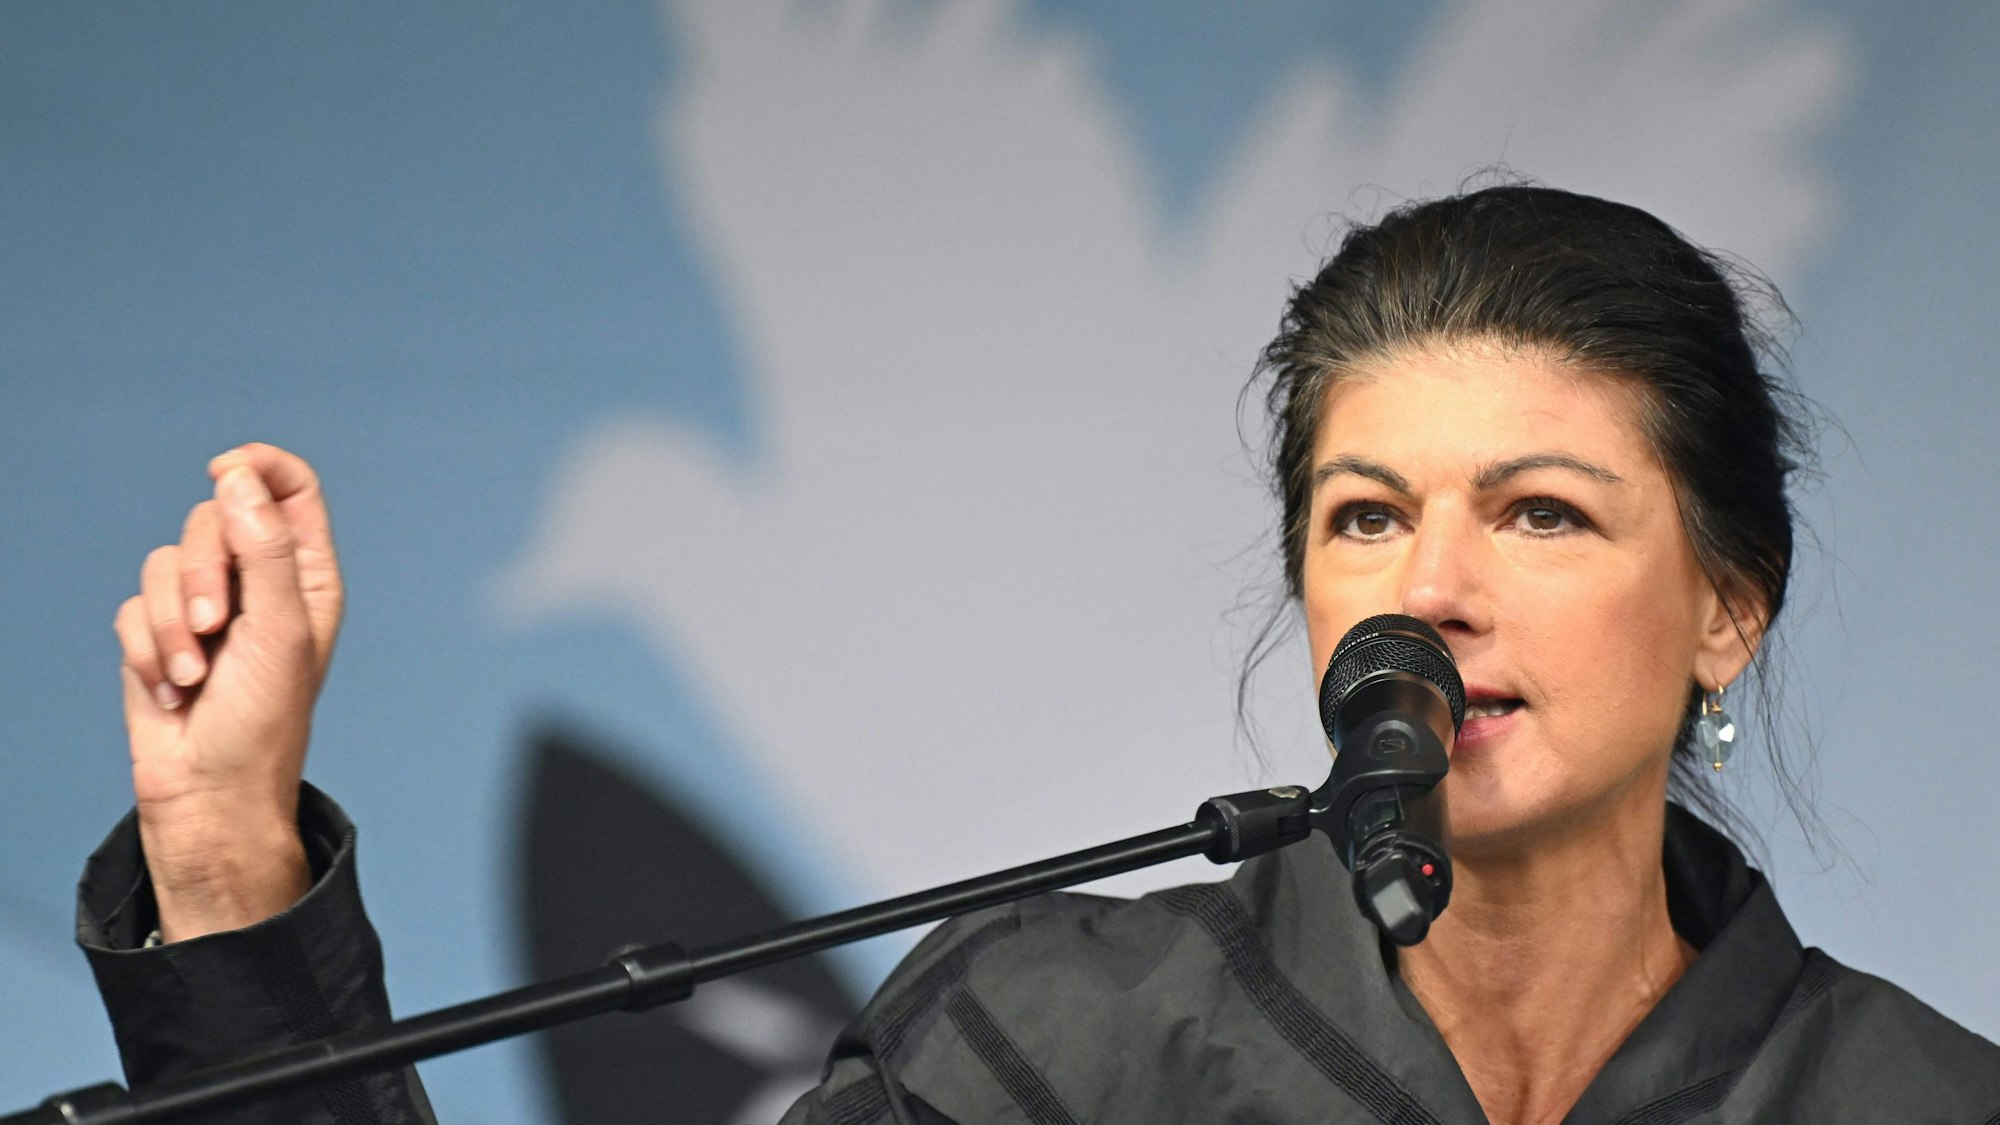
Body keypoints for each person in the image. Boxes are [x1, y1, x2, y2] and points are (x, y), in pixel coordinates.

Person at [85, 186, 2000, 1124]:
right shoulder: (1047, 1046)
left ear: (1729, 601)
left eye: (1543, 512)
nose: (1433, 589)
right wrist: (228, 863)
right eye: (1363, 516)